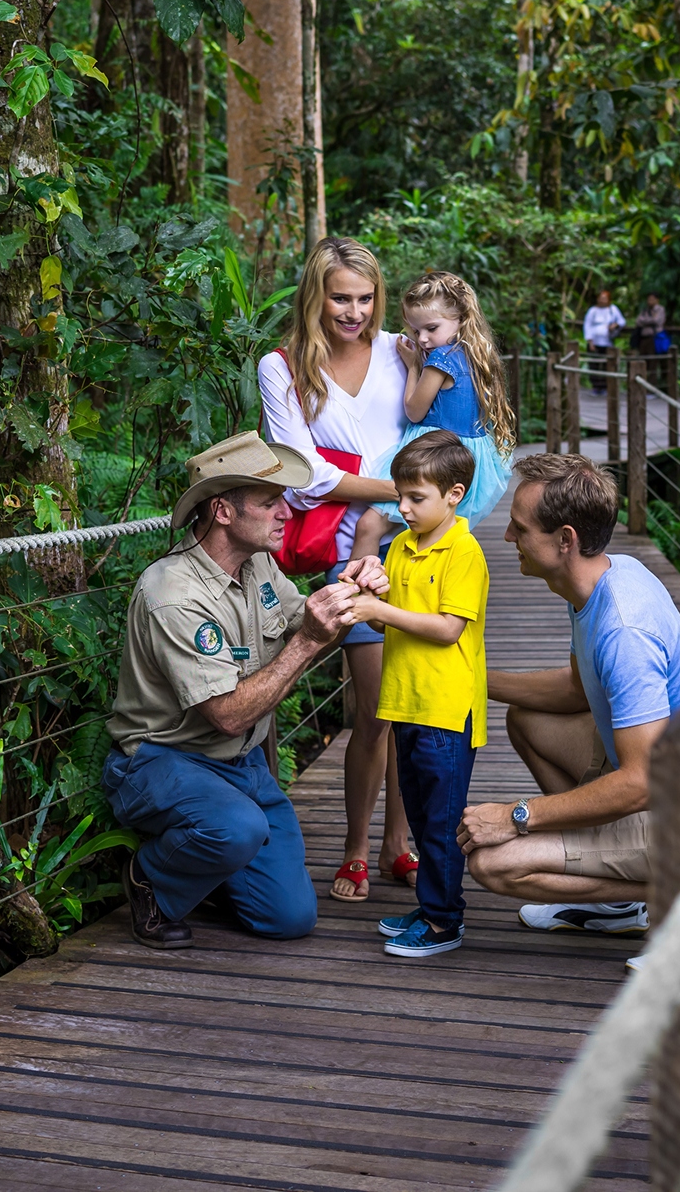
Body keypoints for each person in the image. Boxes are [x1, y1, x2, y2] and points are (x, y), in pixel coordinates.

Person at [102, 431, 379, 949]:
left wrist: (352, 589)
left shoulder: (259, 565)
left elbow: (307, 619)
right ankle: (150, 879)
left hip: (242, 768)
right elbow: (228, 715)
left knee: (290, 919)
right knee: (237, 829)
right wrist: (308, 643)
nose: (285, 515)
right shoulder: (175, 595)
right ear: (223, 512)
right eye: (270, 502)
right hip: (162, 761)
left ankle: (207, 866)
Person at [456, 453, 680, 936]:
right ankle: (617, 893)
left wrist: (517, 817)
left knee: (493, 862)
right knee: (527, 720)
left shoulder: (624, 628)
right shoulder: (602, 577)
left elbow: (640, 781)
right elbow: (576, 689)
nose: (506, 538)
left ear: (566, 540)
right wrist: (471, 678)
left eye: (519, 529)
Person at [257, 236, 417, 903]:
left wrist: (405, 496)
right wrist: (402, 489)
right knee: (376, 707)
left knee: (418, 706)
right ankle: (355, 843)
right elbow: (300, 477)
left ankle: (397, 844)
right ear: (315, 296)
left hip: (423, 544)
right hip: (348, 556)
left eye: (364, 297)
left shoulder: (399, 352)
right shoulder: (283, 366)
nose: (353, 311)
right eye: (339, 297)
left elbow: (436, 431)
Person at [342, 431, 489, 958]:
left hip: (447, 709)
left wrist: (380, 611)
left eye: (415, 498)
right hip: (404, 701)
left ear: (454, 494)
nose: (401, 508)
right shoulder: (402, 546)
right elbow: (395, 627)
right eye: (400, 496)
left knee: (442, 822)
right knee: (424, 817)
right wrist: (373, 594)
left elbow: (448, 628)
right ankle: (431, 906)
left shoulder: (465, 552)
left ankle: (445, 922)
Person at [351, 270, 515, 557]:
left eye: (431, 328)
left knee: (368, 527)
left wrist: (414, 365)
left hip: (433, 456)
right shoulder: (476, 353)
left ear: (461, 318)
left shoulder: (440, 359)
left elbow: (414, 411)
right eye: (416, 331)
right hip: (466, 457)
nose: (423, 339)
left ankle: (354, 598)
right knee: (430, 537)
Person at [582, 289, 625, 395]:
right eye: (601, 298)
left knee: (608, 364)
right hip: (595, 343)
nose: (602, 300)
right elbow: (587, 325)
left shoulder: (613, 309)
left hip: (607, 343)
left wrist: (614, 325)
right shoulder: (592, 311)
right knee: (594, 364)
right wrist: (590, 341)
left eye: (605, 298)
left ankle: (606, 387)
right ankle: (596, 387)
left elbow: (622, 321)